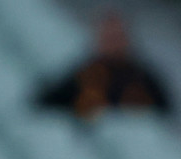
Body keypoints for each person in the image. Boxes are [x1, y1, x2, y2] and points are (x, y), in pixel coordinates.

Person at [34, 10, 172, 119]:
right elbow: (47, 103)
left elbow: (164, 111)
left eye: (117, 36)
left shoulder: (144, 80)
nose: (113, 43)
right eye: (108, 37)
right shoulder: (85, 75)